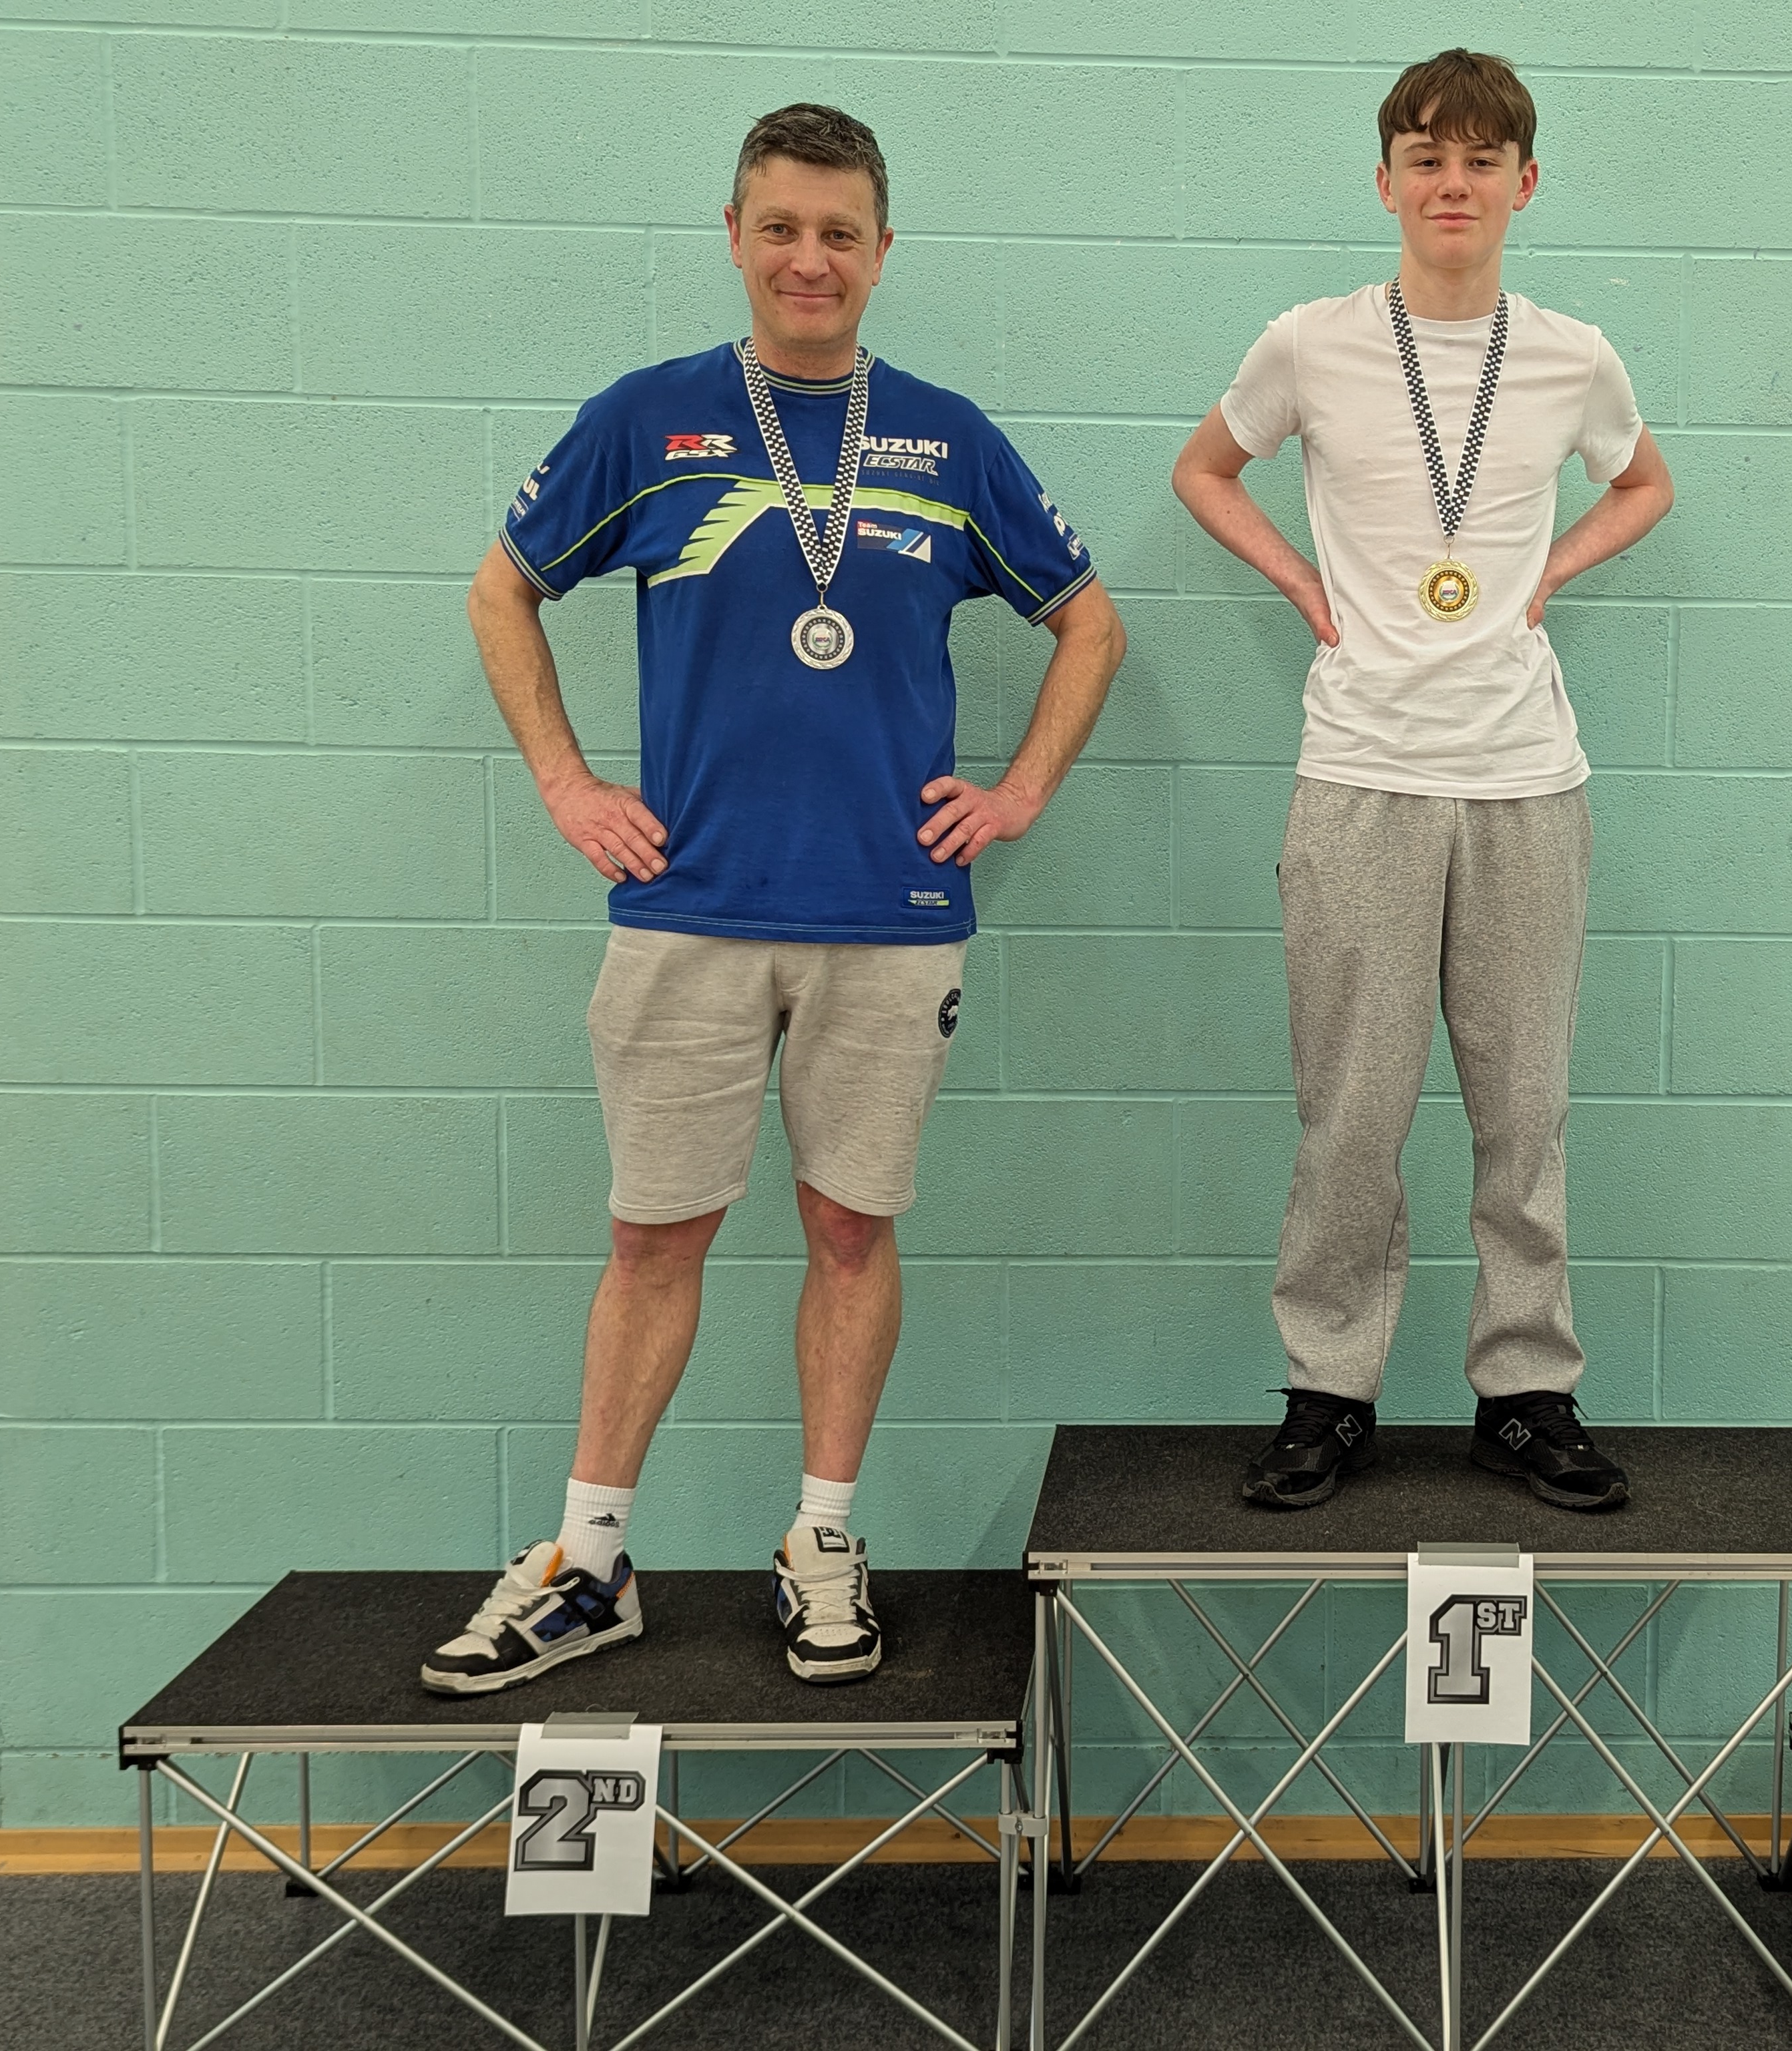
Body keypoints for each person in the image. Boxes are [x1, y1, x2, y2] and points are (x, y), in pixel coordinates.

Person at [429, 103, 1124, 1692]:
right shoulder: (649, 420)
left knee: (851, 1232)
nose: (811, 259)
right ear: (735, 238)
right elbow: (502, 589)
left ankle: (822, 1540)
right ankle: (591, 1562)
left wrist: (1018, 792)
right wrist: (568, 785)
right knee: (652, 1238)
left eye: (840, 234)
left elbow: (1089, 622)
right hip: (689, 908)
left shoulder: (947, 438)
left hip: (891, 917)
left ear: (883, 251)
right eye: (782, 229)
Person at [1172, 50, 1673, 1512]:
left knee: (1525, 1112)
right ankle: (1329, 1390)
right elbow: (1204, 471)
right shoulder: (1311, 344)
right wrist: (1301, 585)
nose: (1453, 184)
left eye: (1480, 160)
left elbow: (1645, 483)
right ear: (1385, 181)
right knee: (1352, 1111)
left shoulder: (1573, 355)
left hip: (1526, 780)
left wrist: (1547, 575)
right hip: (1362, 774)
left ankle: (1526, 1391)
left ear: (1526, 182)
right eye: (1426, 157)